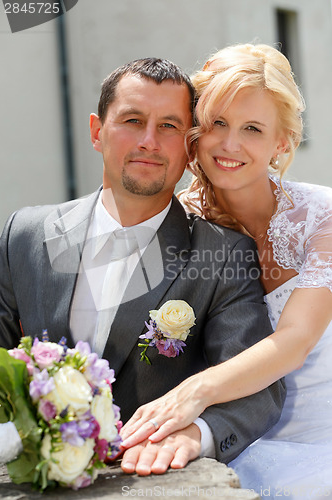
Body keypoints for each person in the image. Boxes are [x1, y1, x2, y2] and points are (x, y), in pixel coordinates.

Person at [0, 57, 285, 476]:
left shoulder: (224, 255)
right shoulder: (22, 234)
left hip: (149, 478)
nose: (149, 141)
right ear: (98, 132)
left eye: (169, 126)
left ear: (189, 147)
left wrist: (195, 435)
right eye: (133, 120)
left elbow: (259, 388)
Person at [119, 44, 332, 497]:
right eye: (217, 123)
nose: (230, 144)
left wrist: (195, 393)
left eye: (252, 128)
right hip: (238, 437)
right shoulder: (177, 225)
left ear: (282, 142)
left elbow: (295, 341)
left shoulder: (323, 218)